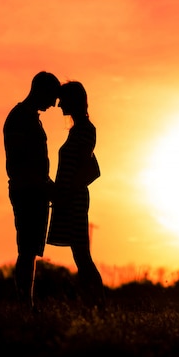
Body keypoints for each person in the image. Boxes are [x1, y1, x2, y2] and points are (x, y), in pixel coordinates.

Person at [3, 71, 60, 310]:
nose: (54, 103)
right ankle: (24, 305)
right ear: (40, 90)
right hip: (27, 191)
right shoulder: (19, 117)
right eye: (52, 97)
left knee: (30, 250)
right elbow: (16, 162)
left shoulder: (31, 118)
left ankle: (27, 304)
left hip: (36, 191)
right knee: (26, 250)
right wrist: (42, 184)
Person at [46, 81, 105, 308]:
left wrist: (66, 194)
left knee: (82, 256)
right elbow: (92, 168)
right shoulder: (79, 130)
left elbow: (89, 170)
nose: (59, 105)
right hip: (70, 199)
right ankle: (92, 304)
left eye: (63, 100)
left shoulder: (86, 130)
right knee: (80, 256)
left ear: (73, 101)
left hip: (74, 201)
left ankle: (98, 305)